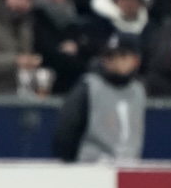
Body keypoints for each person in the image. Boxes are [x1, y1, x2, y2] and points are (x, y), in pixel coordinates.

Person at [52, 31, 146, 163]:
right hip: (92, 168)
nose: (115, 61)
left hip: (129, 167)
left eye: (123, 56)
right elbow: (65, 133)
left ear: (136, 60)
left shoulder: (138, 91)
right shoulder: (89, 87)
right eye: (110, 56)